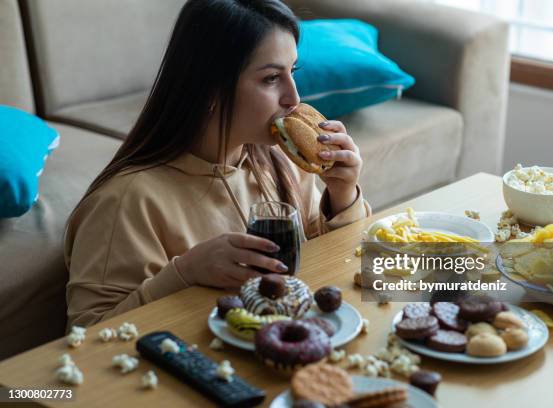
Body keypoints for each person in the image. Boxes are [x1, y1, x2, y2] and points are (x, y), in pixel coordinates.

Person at [64, 0, 371, 328]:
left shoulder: (285, 160)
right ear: (209, 88)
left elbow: (344, 272)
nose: (294, 98)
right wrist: (185, 273)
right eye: (270, 78)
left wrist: (343, 195)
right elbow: (85, 339)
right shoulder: (125, 202)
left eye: (291, 72)